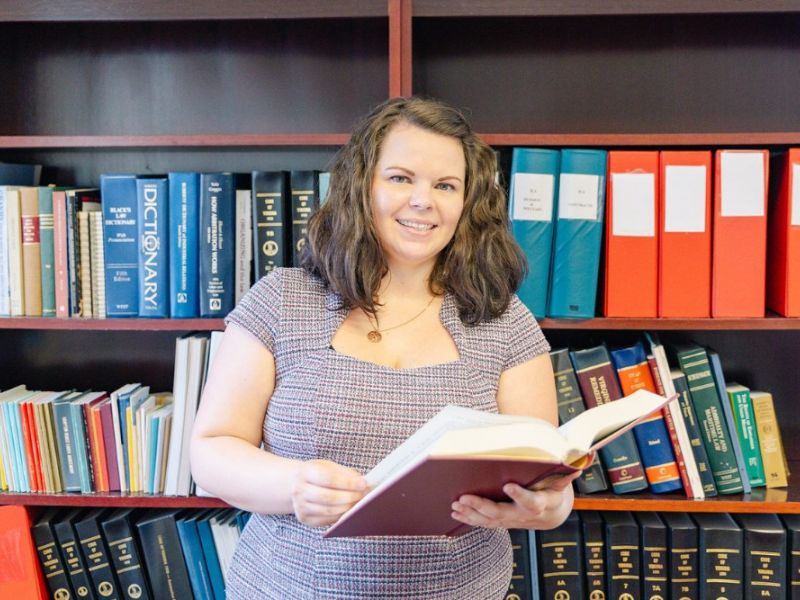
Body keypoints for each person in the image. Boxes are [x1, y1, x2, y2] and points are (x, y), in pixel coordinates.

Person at [189, 96, 580, 598]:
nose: (423, 201)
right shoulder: (282, 301)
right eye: (400, 178)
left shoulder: (504, 321)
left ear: (467, 204)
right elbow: (212, 450)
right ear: (361, 185)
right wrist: (294, 486)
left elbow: (546, 478)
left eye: (445, 185)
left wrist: (549, 508)